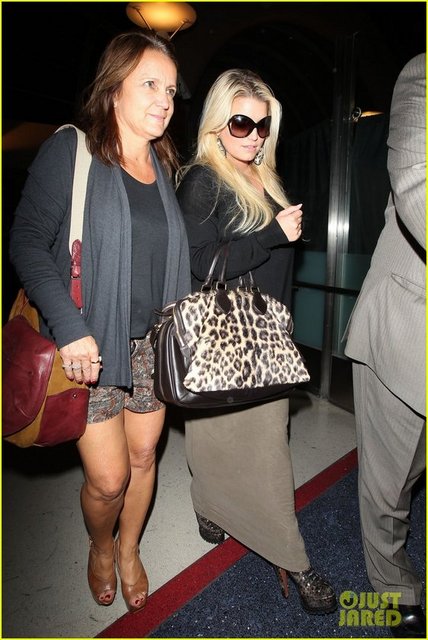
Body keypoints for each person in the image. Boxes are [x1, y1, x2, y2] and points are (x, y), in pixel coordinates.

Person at [9, 30, 190, 613]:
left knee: (144, 459)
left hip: (151, 346)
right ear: (113, 88)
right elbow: (26, 242)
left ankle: (129, 548)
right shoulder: (73, 150)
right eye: (150, 84)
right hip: (91, 342)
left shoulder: (163, 165)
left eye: (171, 89)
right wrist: (68, 326)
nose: (164, 99)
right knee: (109, 480)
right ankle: (100, 546)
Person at [176, 68, 337, 615]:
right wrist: (271, 234)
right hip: (227, 337)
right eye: (242, 122)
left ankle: (211, 505)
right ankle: (294, 557)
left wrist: (285, 321)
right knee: (240, 445)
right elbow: (200, 264)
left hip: (267, 334)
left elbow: (274, 267)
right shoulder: (203, 180)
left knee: (261, 442)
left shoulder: (263, 178)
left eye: (263, 125)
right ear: (217, 124)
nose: (254, 135)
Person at [345, 53, 426, 638]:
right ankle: (393, 593)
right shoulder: (422, 74)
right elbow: (417, 185)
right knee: (388, 486)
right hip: (405, 324)